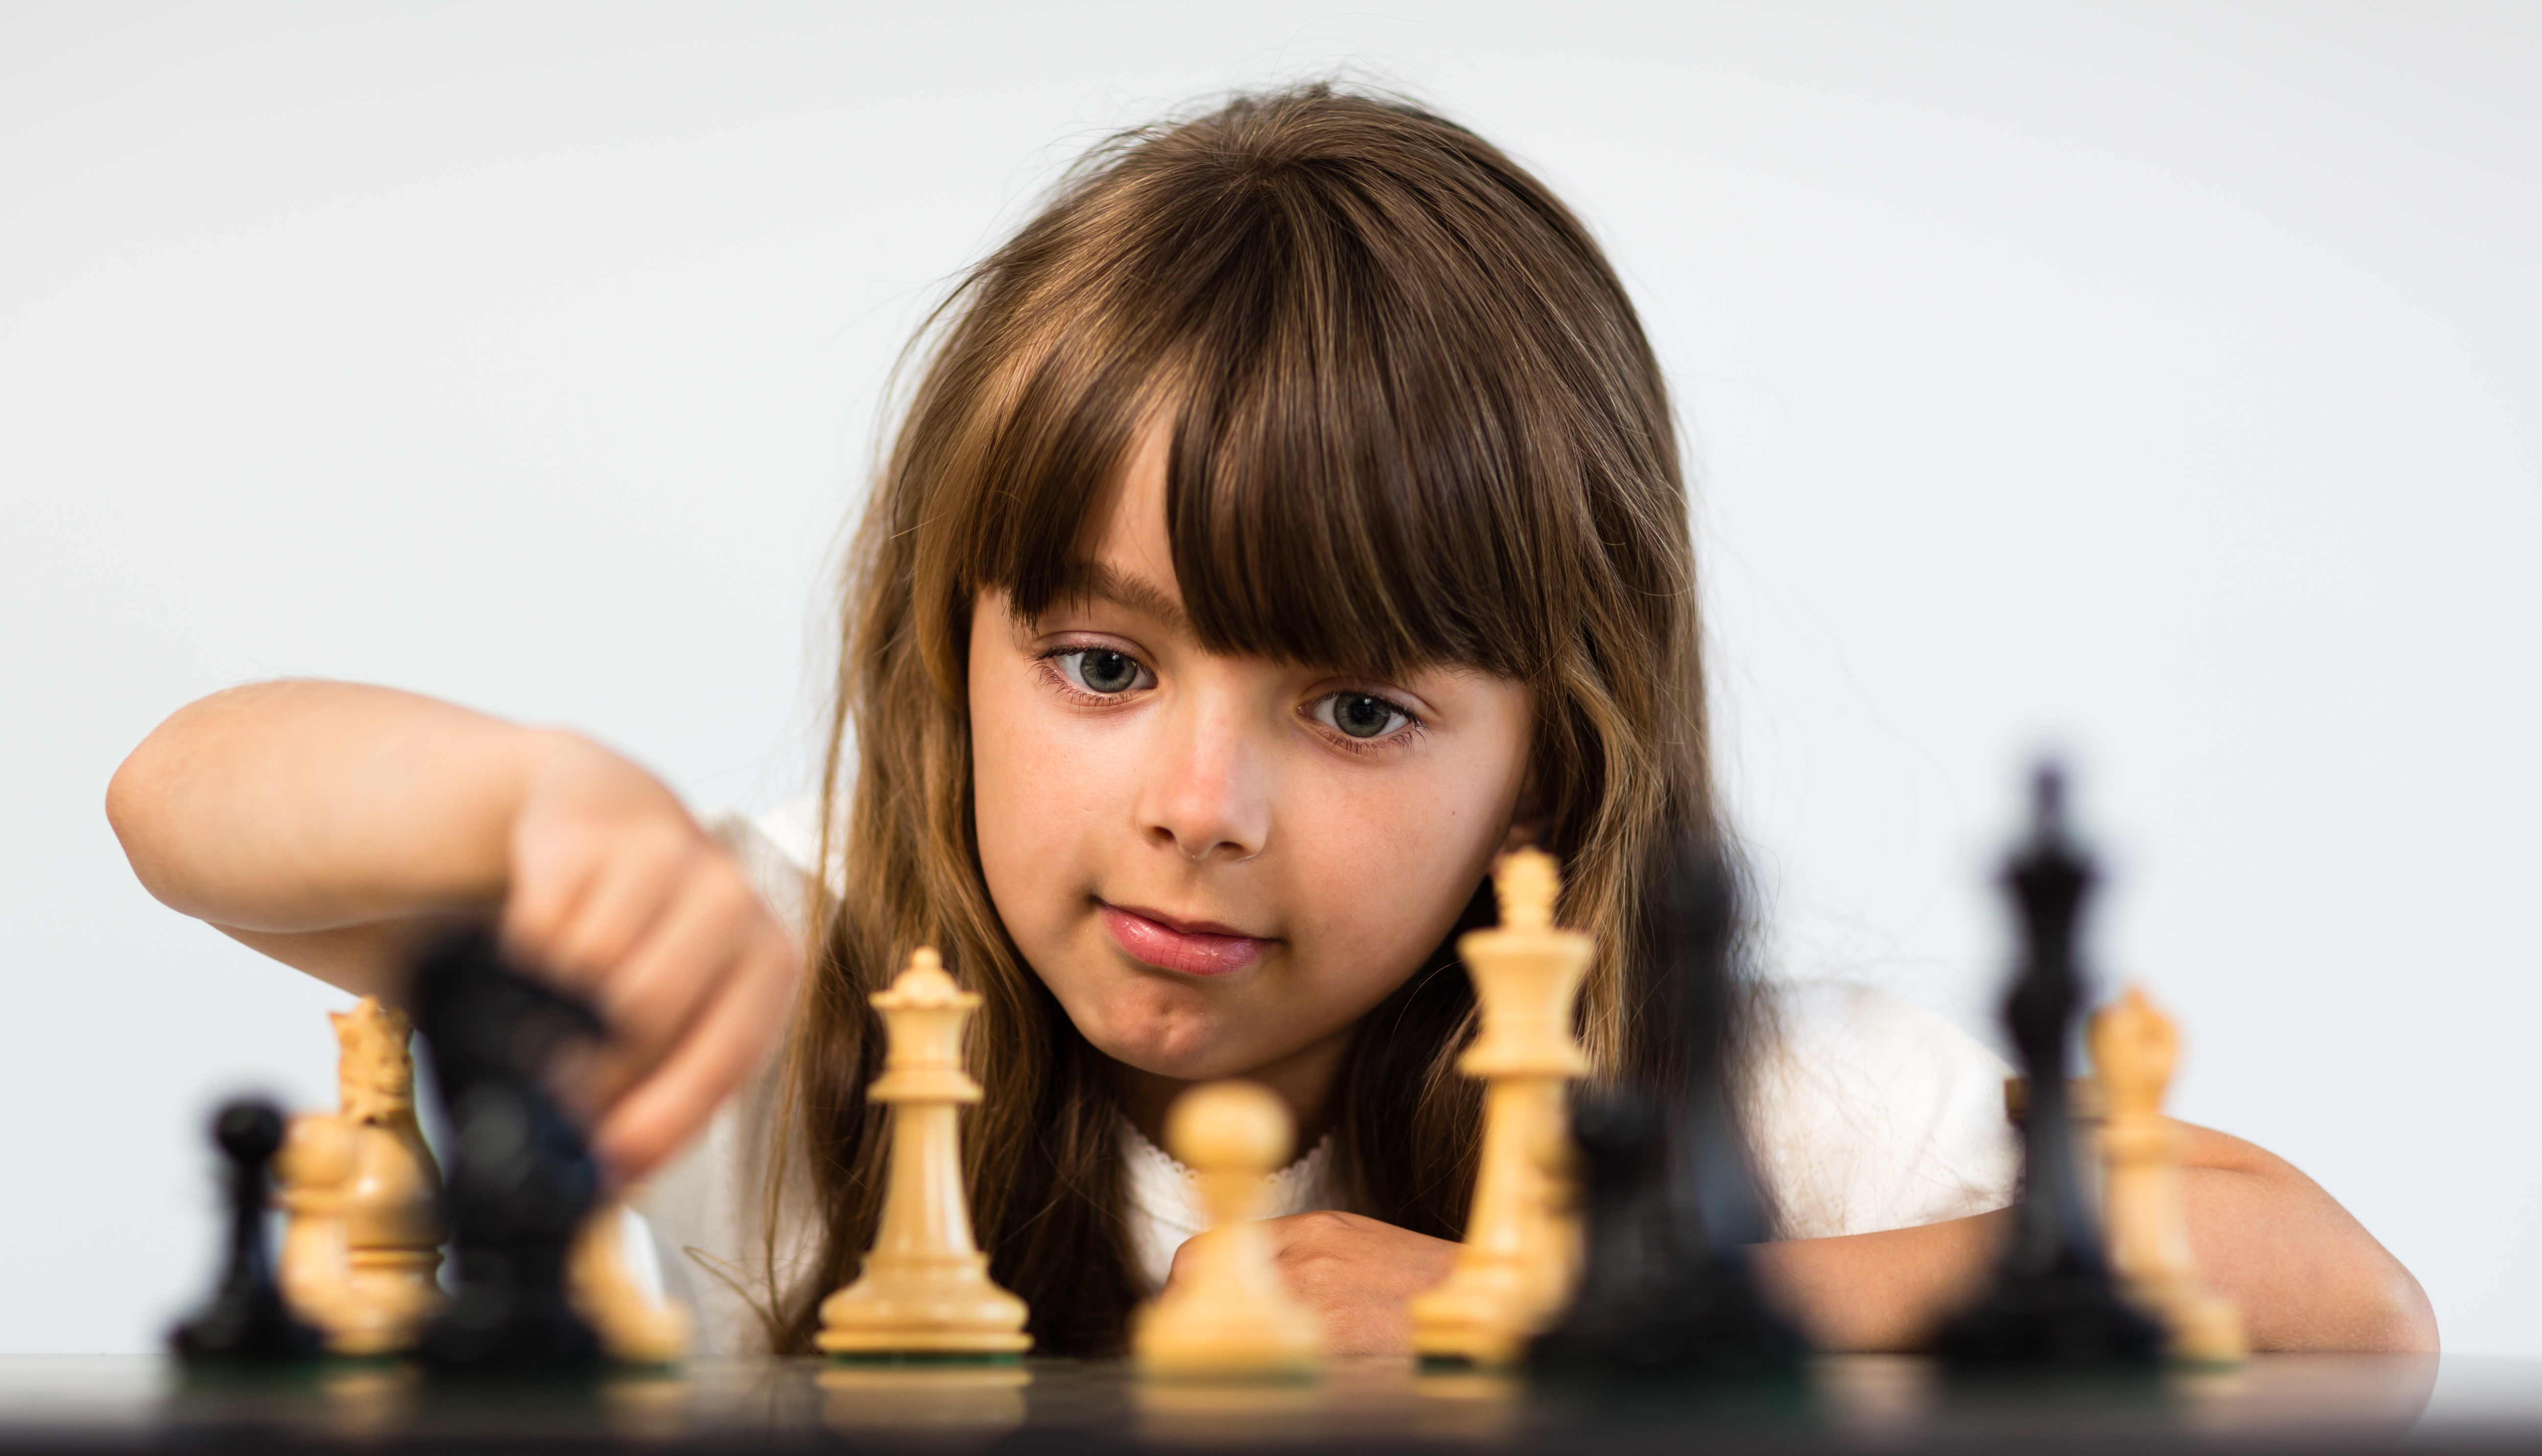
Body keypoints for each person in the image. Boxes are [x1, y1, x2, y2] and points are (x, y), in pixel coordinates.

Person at [105, 87, 2434, 1359]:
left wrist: (1583, 1311)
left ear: (1553, 753)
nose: (1194, 808)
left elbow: (2350, 1300)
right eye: (1100, 666)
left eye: (1351, 703)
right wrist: (534, 800)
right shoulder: (794, 994)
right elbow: (186, 802)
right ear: (955, 639)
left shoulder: (1694, 1108)